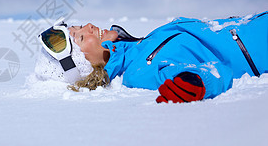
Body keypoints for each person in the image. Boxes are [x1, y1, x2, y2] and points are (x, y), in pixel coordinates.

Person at [34, 11, 268, 103]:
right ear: (91, 66)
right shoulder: (138, 72)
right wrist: (194, 83)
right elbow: (214, 72)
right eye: (82, 38)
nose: (89, 26)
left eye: (78, 27)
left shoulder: (136, 48)